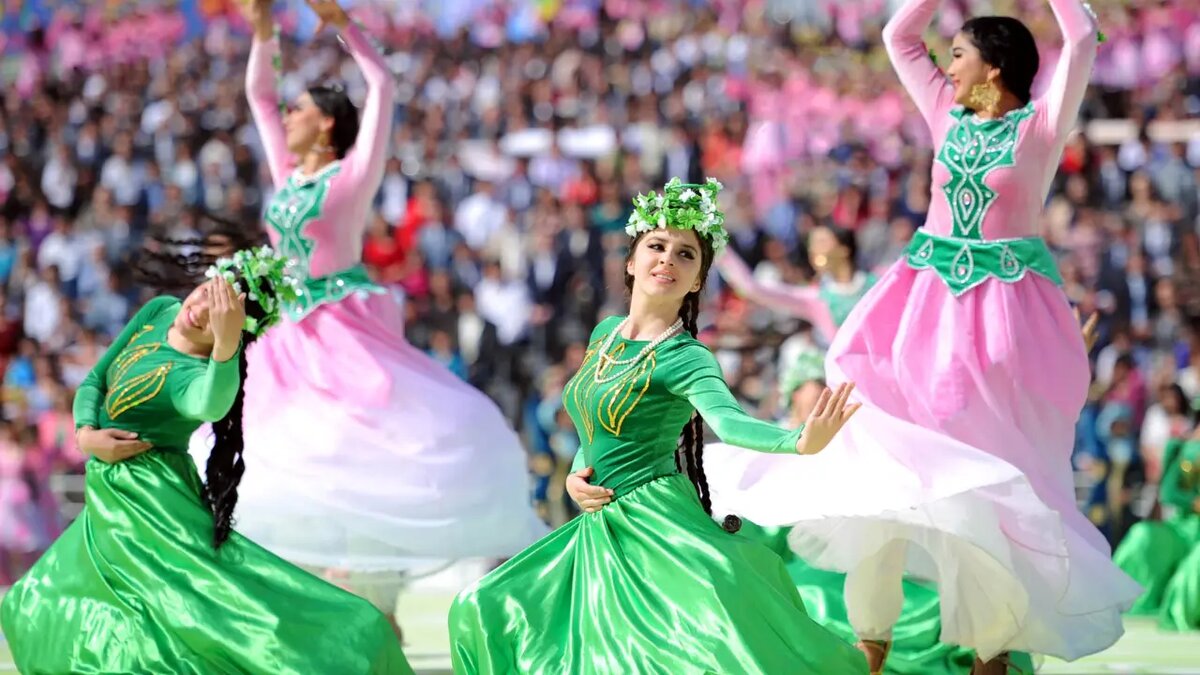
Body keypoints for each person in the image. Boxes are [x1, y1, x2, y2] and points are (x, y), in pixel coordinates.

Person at [704, 2, 1140, 674]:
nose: (949, 64)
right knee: (884, 468)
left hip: (999, 327)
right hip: (920, 320)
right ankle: (870, 643)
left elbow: (1080, 35)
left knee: (987, 487)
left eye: (960, 53)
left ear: (994, 67)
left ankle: (992, 652)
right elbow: (898, 35)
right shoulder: (946, 113)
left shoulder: (1040, 126)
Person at [202, 0, 544, 636]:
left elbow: (383, 84)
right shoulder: (288, 176)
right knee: (284, 452)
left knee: (367, 447)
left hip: (341, 329)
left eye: (300, 109)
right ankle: (319, 599)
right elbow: (258, 95)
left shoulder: (350, 177)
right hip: (286, 334)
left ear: (328, 123)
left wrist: (342, 24)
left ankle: (377, 594)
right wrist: (263, 30)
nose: (288, 115)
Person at [448, 178, 868, 674]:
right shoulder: (605, 333)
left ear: (697, 281)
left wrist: (798, 441)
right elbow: (592, 423)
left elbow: (730, 423)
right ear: (631, 261)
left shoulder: (686, 356)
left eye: (686, 254)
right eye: (657, 246)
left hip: (654, 524)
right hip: (600, 524)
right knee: (480, 607)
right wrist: (578, 472)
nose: (668, 259)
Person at [0, 247, 410, 674]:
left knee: (195, 614)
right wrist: (86, 435)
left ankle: (352, 643)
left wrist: (226, 346)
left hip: (147, 507)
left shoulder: (194, 374)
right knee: (37, 604)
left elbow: (212, 404)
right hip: (113, 502)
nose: (197, 310)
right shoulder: (159, 312)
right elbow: (94, 381)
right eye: (203, 294)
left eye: (215, 317)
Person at [716, 224, 876, 346]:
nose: (814, 250)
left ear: (844, 249)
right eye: (811, 244)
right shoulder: (817, 299)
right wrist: (714, 237)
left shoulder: (877, 283)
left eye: (821, 242)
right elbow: (752, 288)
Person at [1113, 417, 1200, 631]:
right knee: (1143, 535)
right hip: (1184, 528)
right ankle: (1128, 599)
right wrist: (1192, 502)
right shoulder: (1183, 447)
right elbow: (1169, 492)